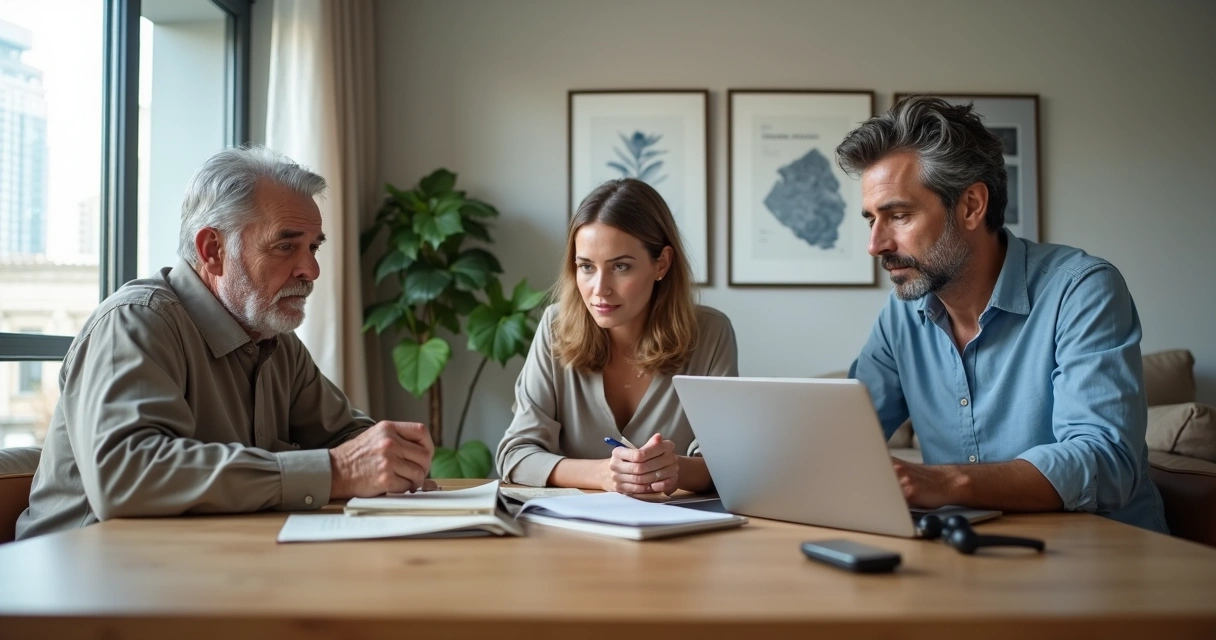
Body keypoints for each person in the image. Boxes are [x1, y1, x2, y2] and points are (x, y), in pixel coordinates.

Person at [16, 146, 434, 540]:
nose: (310, 269)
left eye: (312, 247)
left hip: (197, 570)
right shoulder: (136, 322)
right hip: (85, 588)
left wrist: (391, 457)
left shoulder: (275, 340)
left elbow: (346, 438)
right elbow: (127, 478)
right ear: (212, 249)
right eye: (286, 245)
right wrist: (337, 471)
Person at [835, 96, 1167, 532]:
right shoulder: (903, 316)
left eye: (898, 215)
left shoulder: (1081, 289)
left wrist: (945, 480)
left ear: (972, 205)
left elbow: (1105, 461)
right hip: (967, 555)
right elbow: (842, 439)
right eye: (871, 220)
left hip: (1102, 559)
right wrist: (724, 464)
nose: (876, 245)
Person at [495, 178, 737, 495]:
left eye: (620, 266)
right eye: (586, 267)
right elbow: (515, 454)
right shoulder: (556, 326)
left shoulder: (711, 333)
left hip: (677, 533)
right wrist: (601, 473)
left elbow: (729, 464)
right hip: (572, 534)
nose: (599, 289)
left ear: (661, 263)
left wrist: (675, 469)